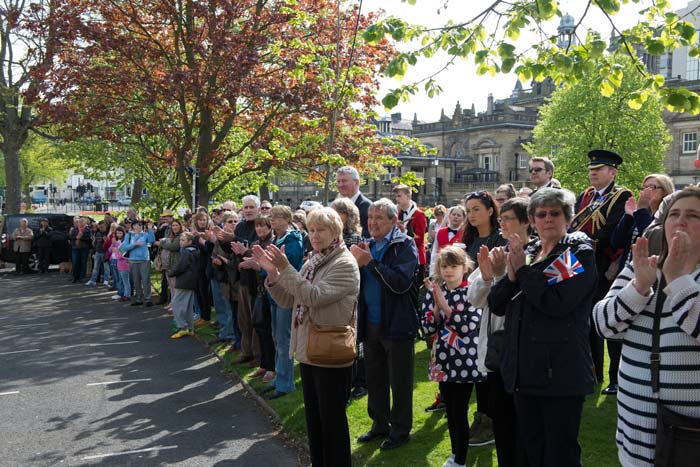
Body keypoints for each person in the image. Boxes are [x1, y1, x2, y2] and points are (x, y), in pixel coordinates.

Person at [488, 188, 597, 467]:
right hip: (523, 373)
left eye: (555, 213)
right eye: (541, 214)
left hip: (560, 374)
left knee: (560, 453)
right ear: (532, 221)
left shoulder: (578, 253)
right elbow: (497, 303)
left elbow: (556, 304)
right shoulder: (530, 251)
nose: (548, 219)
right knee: (531, 449)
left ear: (567, 218)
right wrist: (512, 275)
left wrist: (522, 272)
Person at [593, 186, 700, 467]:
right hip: (634, 438)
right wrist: (639, 286)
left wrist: (678, 279)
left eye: (692, 215)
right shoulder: (644, 264)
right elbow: (604, 324)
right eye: (673, 214)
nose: (680, 221)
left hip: (690, 438)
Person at [254, 207, 360, 467]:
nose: (314, 235)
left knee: (332, 423)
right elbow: (288, 299)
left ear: (335, 231)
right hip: (311, 349)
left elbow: (313, 297)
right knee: (315, 421)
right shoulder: (314, 260)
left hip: (331, 350)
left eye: (321, 230)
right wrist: (273, 275)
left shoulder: (344, 263)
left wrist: (285, 268)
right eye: (311, 230)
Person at [350, 198, 418, 451]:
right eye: (370, 218)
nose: (373, 222)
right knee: (375, 377)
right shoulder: (366, 244)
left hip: (397, 324)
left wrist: (370, 263)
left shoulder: (405, 245)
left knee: (399, 381)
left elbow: (400, 283)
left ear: (394, 221)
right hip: (371, 324)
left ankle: (400, 431)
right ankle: (379, 425)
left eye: (379, 218)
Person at [468, 197, 531, 467]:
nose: (502, 224)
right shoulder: (497, 251)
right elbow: (475, 298)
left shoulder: (538, 253)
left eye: (509, 219)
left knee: (526, 428)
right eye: (501, 219)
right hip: (496, 350)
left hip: (527, 351)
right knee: (503, 421)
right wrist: (486, 277)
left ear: (527, 222)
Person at [603, 173, 674, 396]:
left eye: (654, 187)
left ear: (665, 192)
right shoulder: (639, 214)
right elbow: (616, 241)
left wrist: (641, 211)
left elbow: (651, 237)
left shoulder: (665, 218)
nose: (647, 191)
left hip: (655, 281)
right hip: (629, 276)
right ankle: (615, 378)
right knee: (617, 327)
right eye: (645, 186)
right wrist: (627, 216)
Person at [571, 149, 633, 388]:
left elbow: (612, 232)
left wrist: (584, 243)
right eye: (591, 170)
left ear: (612, 172)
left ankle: (615, 378)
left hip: (604, 266)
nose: (593, 173)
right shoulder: (585, 196)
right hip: (581, 266)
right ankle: (594, 372)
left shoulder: (620, 196)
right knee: (586, 321)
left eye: (598, 170)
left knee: (608, 321)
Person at [422, 245, 485, 467]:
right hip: (442, 359)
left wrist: (446, 307)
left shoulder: (471, 292)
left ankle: (460, 459)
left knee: (459, 410)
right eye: (445, 266)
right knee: (450, 409)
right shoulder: (435, 292)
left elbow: (468, 326)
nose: (449, 271)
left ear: (464, 267)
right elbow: (428, 328)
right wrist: (437, 309)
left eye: (454, 266)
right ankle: (455, 455)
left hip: (465, 361)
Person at [461, 190, 506, 445]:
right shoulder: (467, 239)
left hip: (488, 311)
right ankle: (481, 413)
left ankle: (488, 418)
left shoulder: (499, 240)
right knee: (473, 366)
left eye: (476, 208)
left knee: (488, 364)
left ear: (490, 210)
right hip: (466, 308)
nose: (471, 214)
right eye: (469, 210)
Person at [252, 205, 304, 399]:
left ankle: (285, 383)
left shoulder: (292, 240)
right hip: (274, 290)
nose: (271, 220)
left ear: (287, 219)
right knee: (276, 337)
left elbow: (288, 264)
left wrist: (262, 267)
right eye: (271, 216)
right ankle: (279, 379)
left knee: (284, 340)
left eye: (276, 217)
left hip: (285, 292)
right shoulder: (277, 238)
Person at [331, 197, 366, 399]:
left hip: (352, 294)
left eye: (339, 212)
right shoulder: (332, 238)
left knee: (356, 336)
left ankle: (360, 381)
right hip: (336, 294)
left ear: (347, 215)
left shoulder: (353, 238)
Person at [169, 231, 200, 339]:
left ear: (190, 241)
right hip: (191, 281)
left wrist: (172, 273)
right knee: (188, 305)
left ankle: (183, 327)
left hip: (184, 281)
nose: (181, 242)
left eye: (183, 240)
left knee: (177, 304)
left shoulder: (186, 252)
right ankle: (190, 328)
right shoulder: (194, 251)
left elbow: (181, 266)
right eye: (180, 240)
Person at [120, 220, 156, 306]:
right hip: (133, 260)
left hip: (144, 260)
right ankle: (138, 298)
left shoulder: (145, 234)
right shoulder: (128, 235)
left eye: (139, 225)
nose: (138, 226)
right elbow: (125, 248)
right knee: (136, 280)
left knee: (145, 279)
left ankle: (148, 299)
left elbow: (152, 240)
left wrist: (150, 229)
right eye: (136, 225)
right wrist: (135, 244)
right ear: (132, 226)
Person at [429, 205, 466, 277]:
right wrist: (432, 271)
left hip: (456, 271)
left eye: (459, 215)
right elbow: (434, 251)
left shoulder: (465, 234)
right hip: (440, 269)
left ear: (463, 219)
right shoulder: (440, 232)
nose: (456, 217)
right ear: (449, 216)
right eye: (454, 214)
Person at [336, 165, 371, 238]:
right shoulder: (336, 206)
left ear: (356, 182)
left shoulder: (367, 206)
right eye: (338, 181)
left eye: (344, 181)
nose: (340, 185)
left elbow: (367, 237)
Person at [159, 219, 184, 309]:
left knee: (175, 286)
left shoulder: (180, 236)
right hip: (169, 264)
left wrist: (162, 243)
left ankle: (176, 304)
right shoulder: (173, 236)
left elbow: (173, 247)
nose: (174, 227)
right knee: (171, 286)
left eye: (176, 225)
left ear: (180, 226)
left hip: (176, 264)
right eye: (173, 226)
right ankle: (173, 302)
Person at [69, 217, 92, 283]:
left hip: (84, 248)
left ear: (85, 223)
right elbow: (71, 237)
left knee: (83, 262)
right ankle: (75, 277)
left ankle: (81, 277)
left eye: (82, 222)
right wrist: (76, 237)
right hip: (75, 248)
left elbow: (88, 239)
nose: (80, 223)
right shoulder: (74, 229)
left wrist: (80, 238)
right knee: (75, 262)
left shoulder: (87, 230)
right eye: (79, 222)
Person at [85, 220, 108, 286]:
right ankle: (93, 280)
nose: (101, 228)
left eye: (102, 227)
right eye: (100, 227)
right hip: (98, 252)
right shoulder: (97, 233)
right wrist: (94, 252)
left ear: (105, 226)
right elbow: (95, 243)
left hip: (105, 252)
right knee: (95, 267)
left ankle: (106, 280)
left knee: (106, 268)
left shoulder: (107, 233)